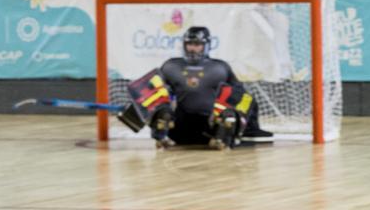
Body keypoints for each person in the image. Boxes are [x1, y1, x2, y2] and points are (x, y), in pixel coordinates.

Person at [116, 26, 272, 150]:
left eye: (197, 44)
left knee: (232, 108)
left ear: (206, 45)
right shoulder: (171, 66)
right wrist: (136, 110)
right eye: (189, 44)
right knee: (162, 108)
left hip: (209, 128)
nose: (192, 48)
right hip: (179, 129)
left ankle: (221, 140)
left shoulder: (220, 67)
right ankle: (161, 137)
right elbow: (150, 91)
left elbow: (241, 97)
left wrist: (251, 127)